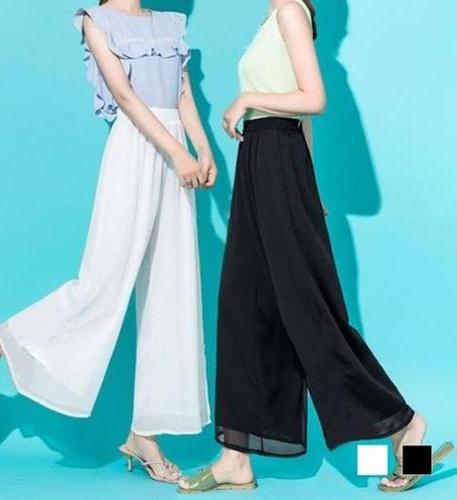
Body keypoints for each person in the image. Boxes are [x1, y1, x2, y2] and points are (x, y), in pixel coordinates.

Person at [178, 0, 452, 493]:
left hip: (275, 160)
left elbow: (313, 100)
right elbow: (300, 116)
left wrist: (247, 99)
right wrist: (312, 183)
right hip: (261, 163)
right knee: (244, 306)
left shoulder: (291, 11)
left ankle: (407, 428)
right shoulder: (270, 18)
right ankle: (236, 457)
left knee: (309, 312)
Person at [0, 0, 216, 484]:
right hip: (137, 151)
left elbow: (182, 94)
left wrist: (201, 149)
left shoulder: (169, 24)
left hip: (176, 155)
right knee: (102, 285)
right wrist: (178, 152)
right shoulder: (96, 22)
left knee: (172, 294)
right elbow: (126, 97)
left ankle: (145, 433)